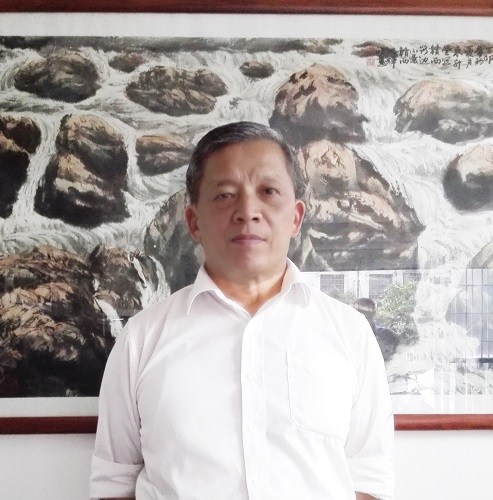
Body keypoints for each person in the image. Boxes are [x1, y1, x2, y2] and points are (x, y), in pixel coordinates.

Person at [90, 121, 394, 500]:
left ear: (296, 217)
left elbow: (369, 480)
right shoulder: (142, 338)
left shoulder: (349, 333)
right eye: (224, 195)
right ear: (193, 222)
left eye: (268, 191)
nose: (248, 211)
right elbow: (114, 483)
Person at [353, 297, 400, 362]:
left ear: (373, 313)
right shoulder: (346, 337)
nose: (363, 316)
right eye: (359, 312)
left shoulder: (388, 336)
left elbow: (397, 359)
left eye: (366, 312)